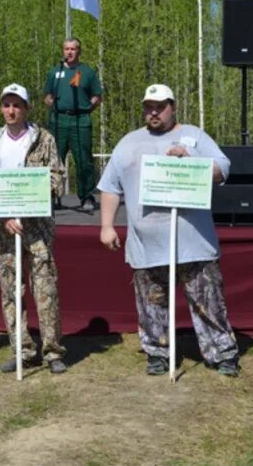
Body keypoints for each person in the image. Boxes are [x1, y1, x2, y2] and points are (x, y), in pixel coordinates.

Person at [97, 84, 240, 377]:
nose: (154, 112)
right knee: (151, 306)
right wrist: (107, 226)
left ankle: (221, 352)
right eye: (148, 106)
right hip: (146, 246)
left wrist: (193, 162)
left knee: (207, 301)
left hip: (193, 243)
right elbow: (110, 187)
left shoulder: (195, 136)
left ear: (172, 107)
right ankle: (158, 352)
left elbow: (223, 169)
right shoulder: (128, 143)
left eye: (160, 106)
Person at [0, 84, 68, 374]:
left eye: (17, 105)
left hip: (36, 227)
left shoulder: (44, 139)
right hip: (4, 230)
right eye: (6, 105)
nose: (11, 111)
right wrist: (4, 215)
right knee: (11, 292)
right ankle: (23, 350)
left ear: (26, 108)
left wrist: (27, 210)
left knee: (45, 289)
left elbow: (57, 178)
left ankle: (52, 351)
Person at [43, 37, 103, 212]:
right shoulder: (55, 72)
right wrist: (54, 105)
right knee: (54, 159)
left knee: (83, 160)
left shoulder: (87, 72)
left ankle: (87, 196)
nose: (69, 52)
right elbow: (47, 95)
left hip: (80, 120)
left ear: (79, 51)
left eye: (73, 49)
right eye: (66, 49)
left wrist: (85, 108)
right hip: (59, 120)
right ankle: (53, 196)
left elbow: (97, 96)